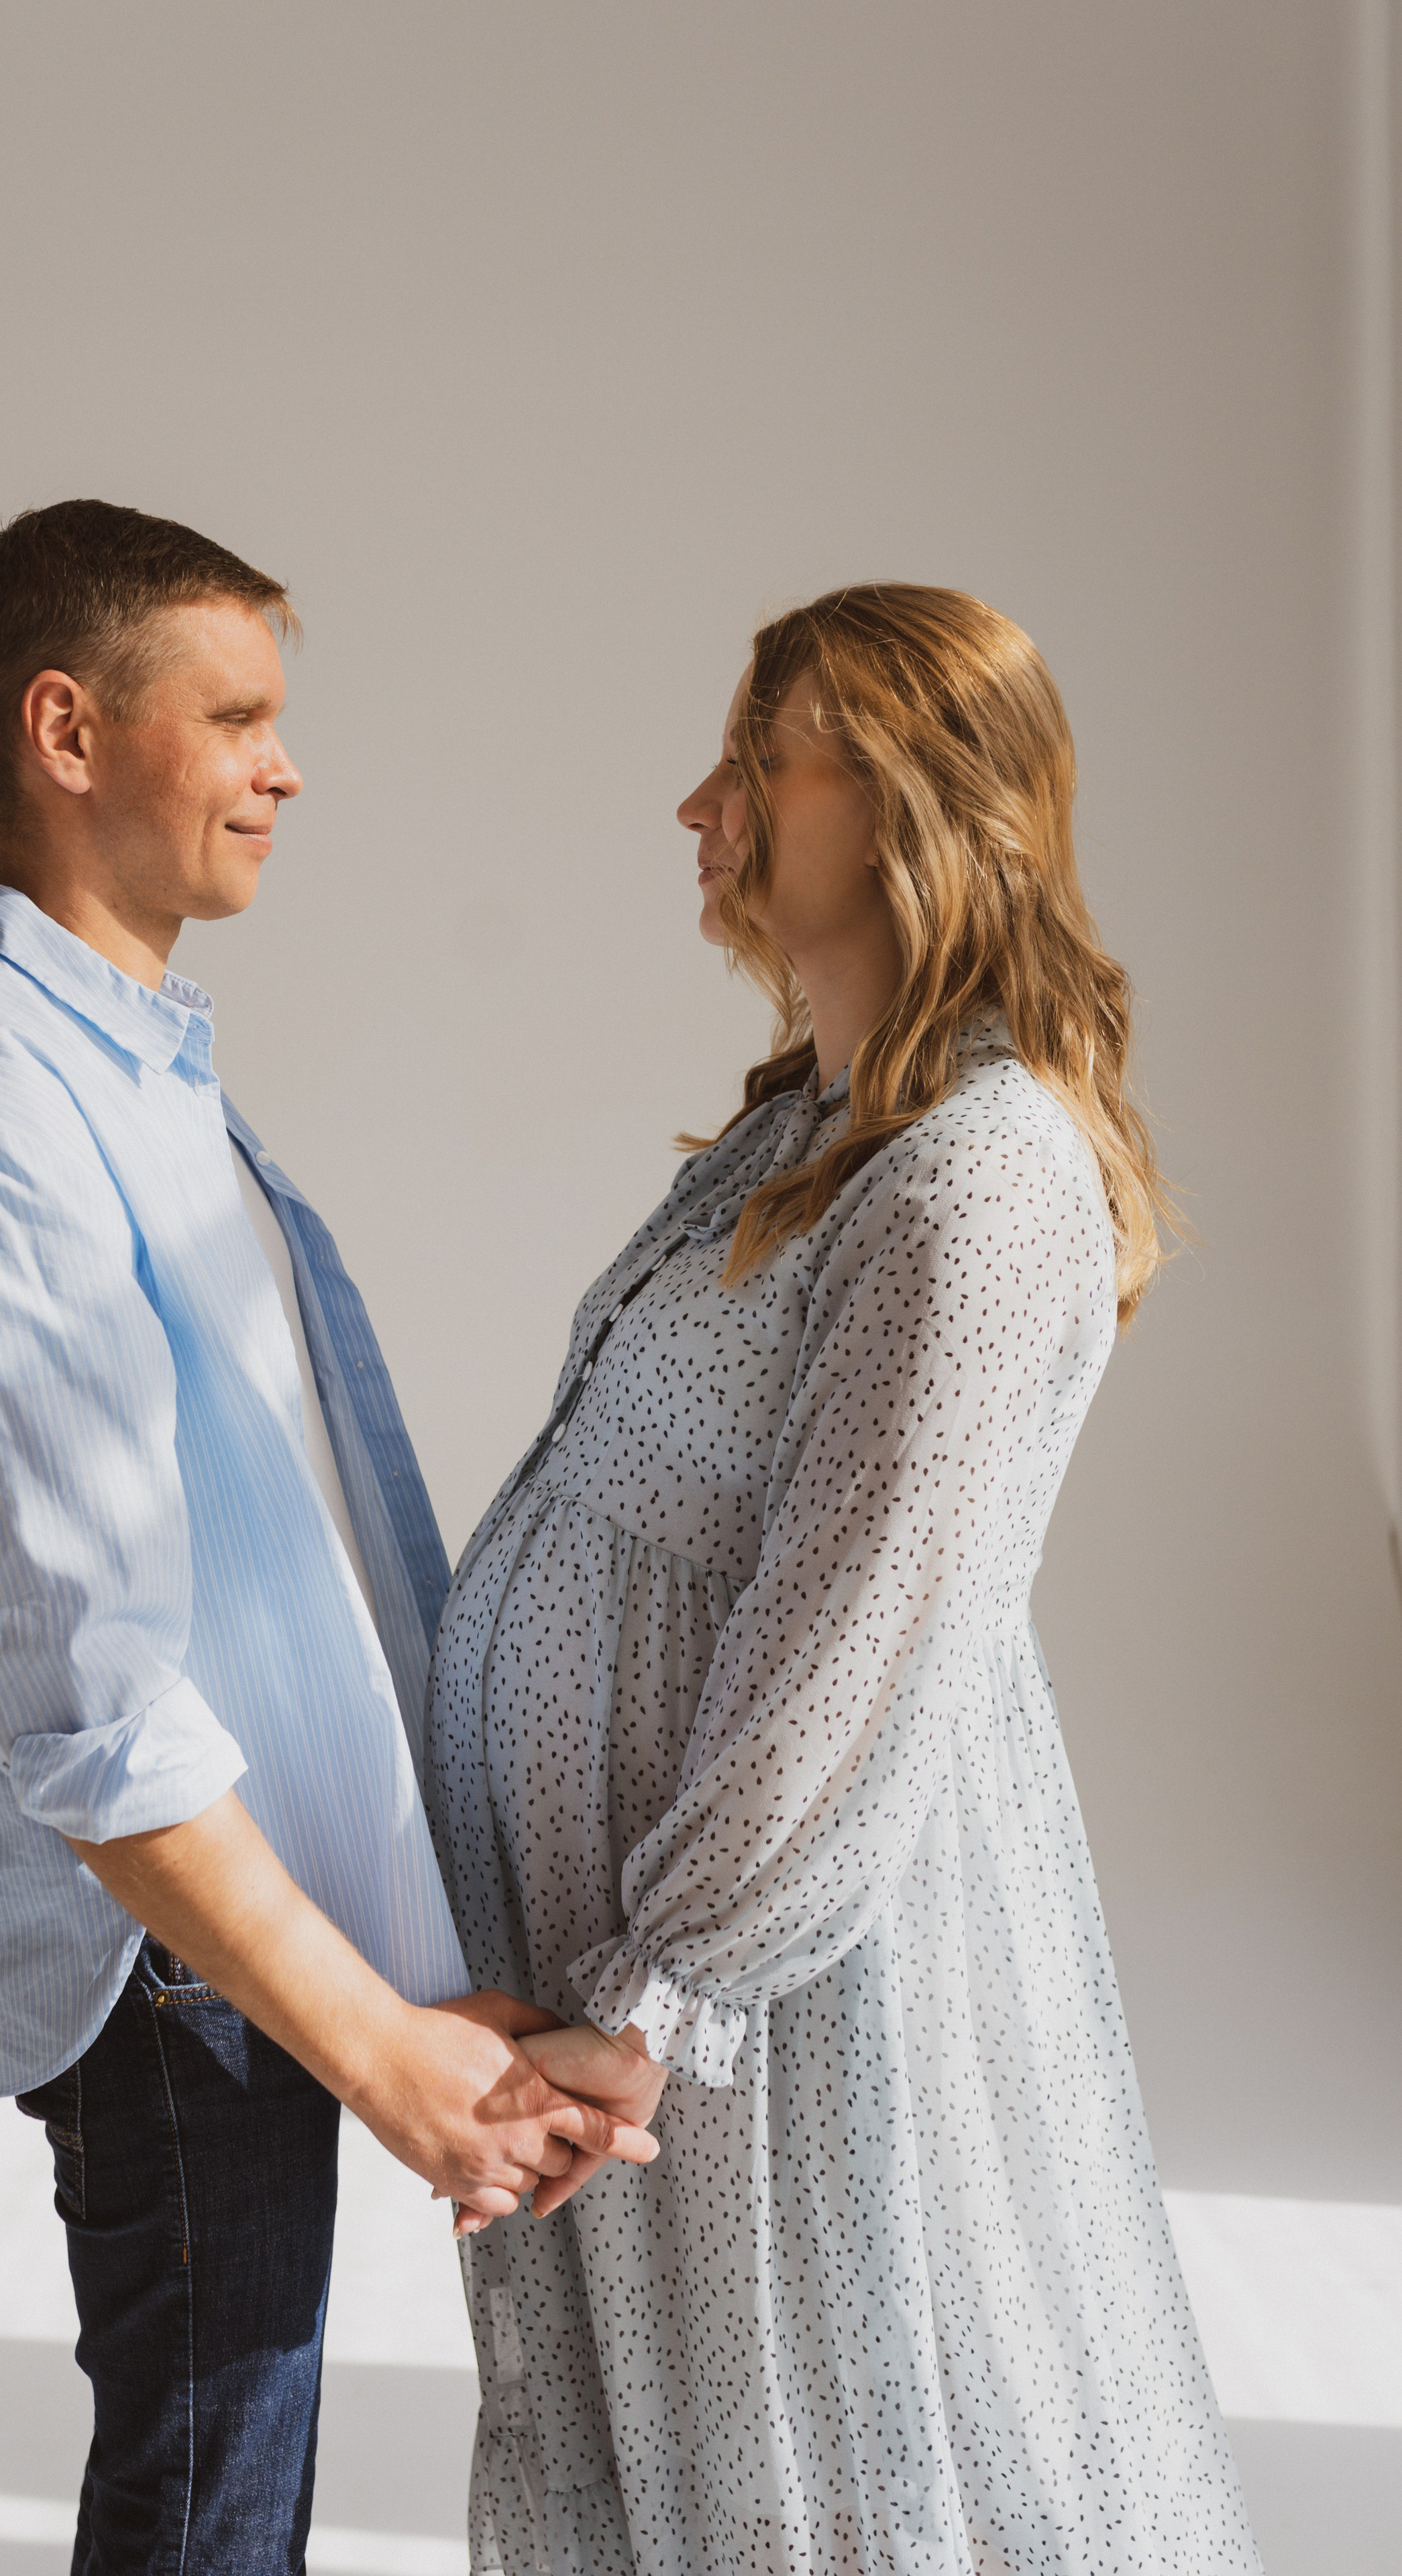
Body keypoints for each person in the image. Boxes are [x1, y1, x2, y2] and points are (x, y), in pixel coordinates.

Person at [0, 498, 655, 2576]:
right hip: (170, 1971)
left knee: (225, 2505)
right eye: (242, 716)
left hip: (243, 1950)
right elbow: (88, 1703)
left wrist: (411, 1981)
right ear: (69, 732)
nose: (289, 767)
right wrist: (379, 2054)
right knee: (207, 2523)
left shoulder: (141, 1081)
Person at [421, 586, 1262, 2574]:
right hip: (676, 2005)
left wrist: (662, 1992)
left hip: (780, 2017)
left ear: (900, 801)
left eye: (756, 754)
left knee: (845, 2482)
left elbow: (856, 1635)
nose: (698, 803)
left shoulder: (982, 1176)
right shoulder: (811, 1124)